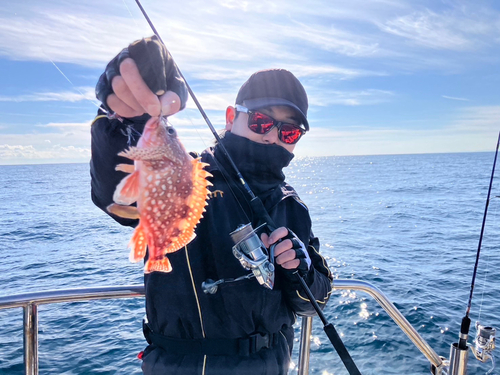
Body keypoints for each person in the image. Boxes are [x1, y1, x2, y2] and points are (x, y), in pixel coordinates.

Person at [90, 36, 332, 375]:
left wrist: (301, 269)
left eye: (289, 133)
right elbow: (116, 195)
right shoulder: (183, 176)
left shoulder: (291, 206)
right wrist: (120, 116)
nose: (272, 137)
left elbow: (314, 302)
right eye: (262, 122)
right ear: (232, 117)